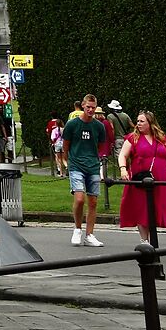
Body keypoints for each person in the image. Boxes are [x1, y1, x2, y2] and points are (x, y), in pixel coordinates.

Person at [119, 111, 166, 249]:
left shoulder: (162, 139)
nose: (138, 123)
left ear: (150, 123)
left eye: (141, 121)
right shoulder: (132, 138)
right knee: (141, 208)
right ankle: (144, 241)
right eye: (138, 121)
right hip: (141, 179)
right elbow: (122, 155)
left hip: (162, 178)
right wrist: (123, 169)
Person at [61, 94, 111, 246]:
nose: (90, 110)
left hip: (93, 165)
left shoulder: (99, 126)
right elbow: (66, 145)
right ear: (82, 105)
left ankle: (90, 234)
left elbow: (101, 146)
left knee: (93, 201)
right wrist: (67, 161)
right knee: (79, 198)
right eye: (88, 107)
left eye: (93, 108)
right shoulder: (72, 124)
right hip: (76, 164)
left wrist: (98, 161)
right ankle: (77, 229)